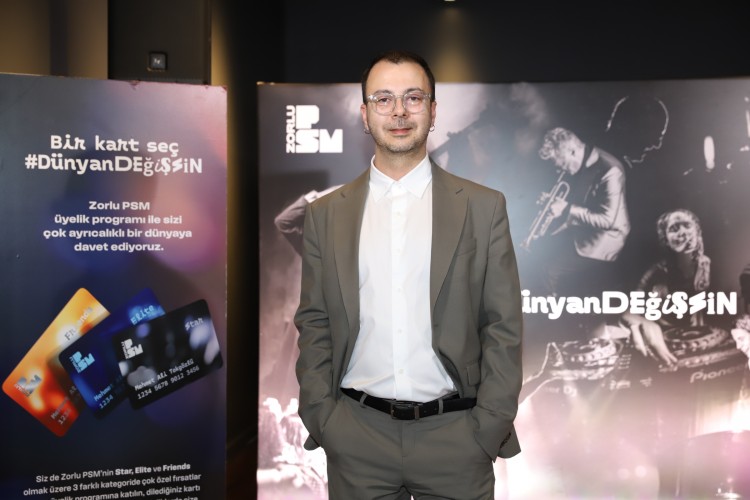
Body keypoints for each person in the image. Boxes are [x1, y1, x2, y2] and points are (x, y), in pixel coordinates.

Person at [294, 49, 524, 499]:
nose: (398, 111)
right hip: (357, 438)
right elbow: (314, 322)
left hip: (458, 438)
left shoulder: (483, 207)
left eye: (413, 98)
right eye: (383, 99)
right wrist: (325, 419)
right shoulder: (325, 214)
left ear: (433, 111)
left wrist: (487, 427)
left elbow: (503, 326)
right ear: (365, 114)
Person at [532, 126, 630, 298]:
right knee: (539, 250)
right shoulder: (581, 160)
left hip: (604, 239)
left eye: (562, 164)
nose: (560, 170)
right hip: (582, 229)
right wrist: (553, 202)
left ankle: (549, 309)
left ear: (572, 151)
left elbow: (607, 220)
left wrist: (566, 208)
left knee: (548, 269)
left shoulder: (610, 170)